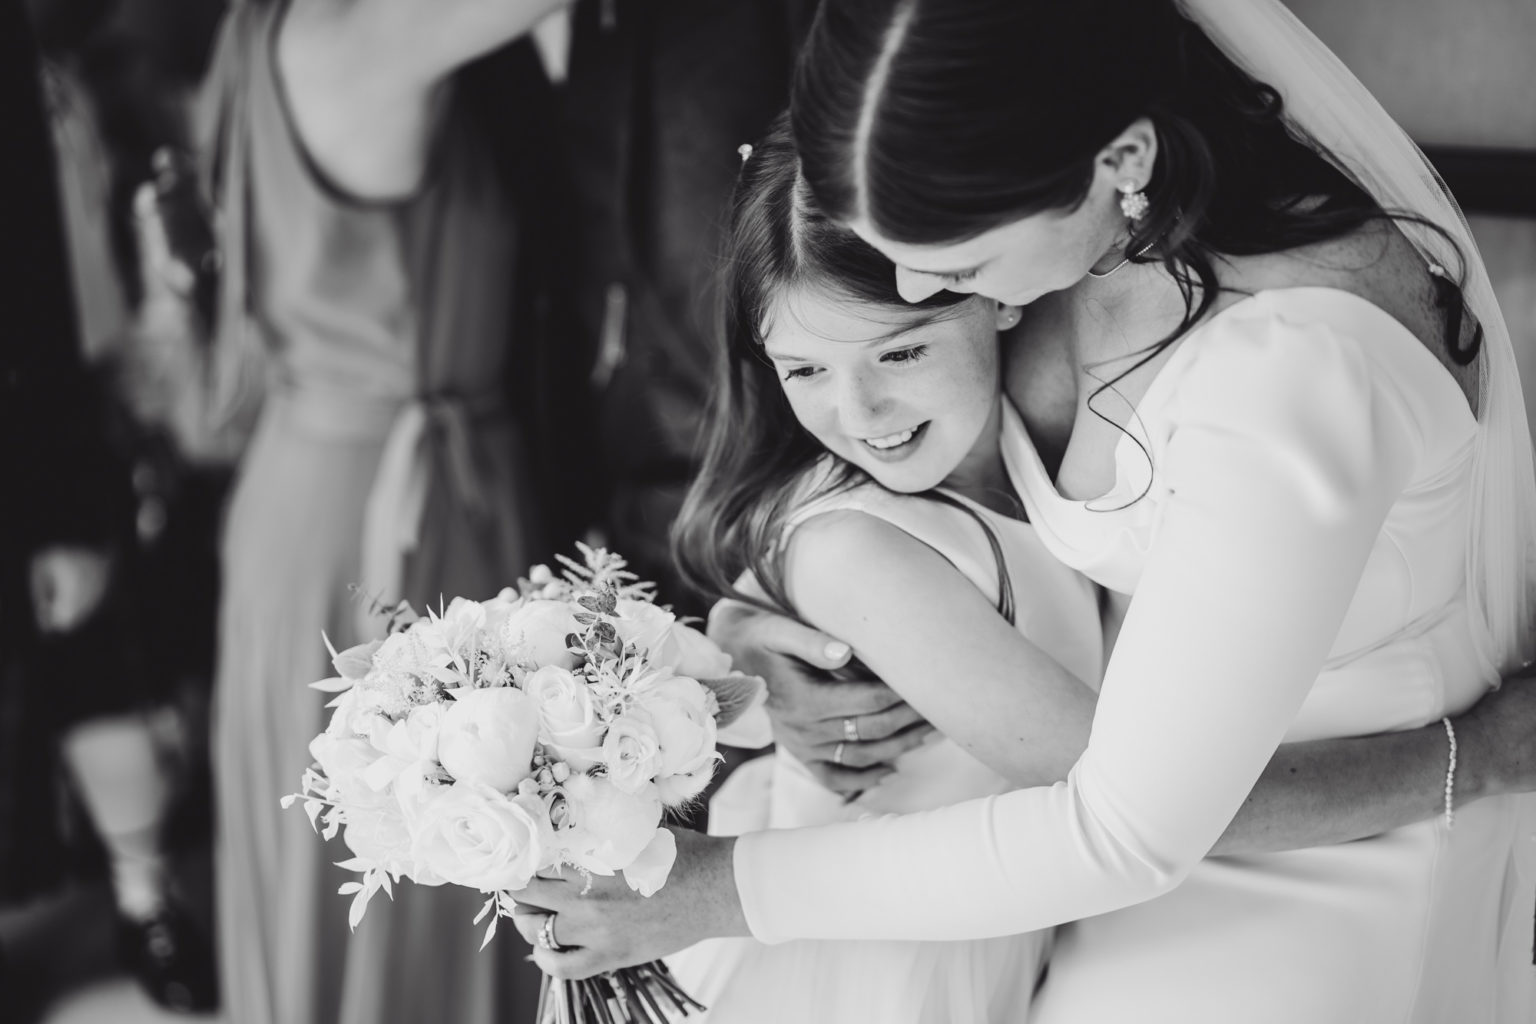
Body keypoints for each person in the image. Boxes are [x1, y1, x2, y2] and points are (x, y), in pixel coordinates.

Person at [510, 2, 1536, 1021]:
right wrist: (769, 621)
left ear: (1120, 158)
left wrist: (726, 887)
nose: (915, 286)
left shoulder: (1295, 374)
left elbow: (1123, 827)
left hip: (1325, 885)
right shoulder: (1069, 239)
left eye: (950, 264)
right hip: (1087, 882)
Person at [186, 2, 557, 1022]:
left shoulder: (279, 29)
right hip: (378, 519)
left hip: (355, 479)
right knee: (402, 847)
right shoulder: (350, 32)